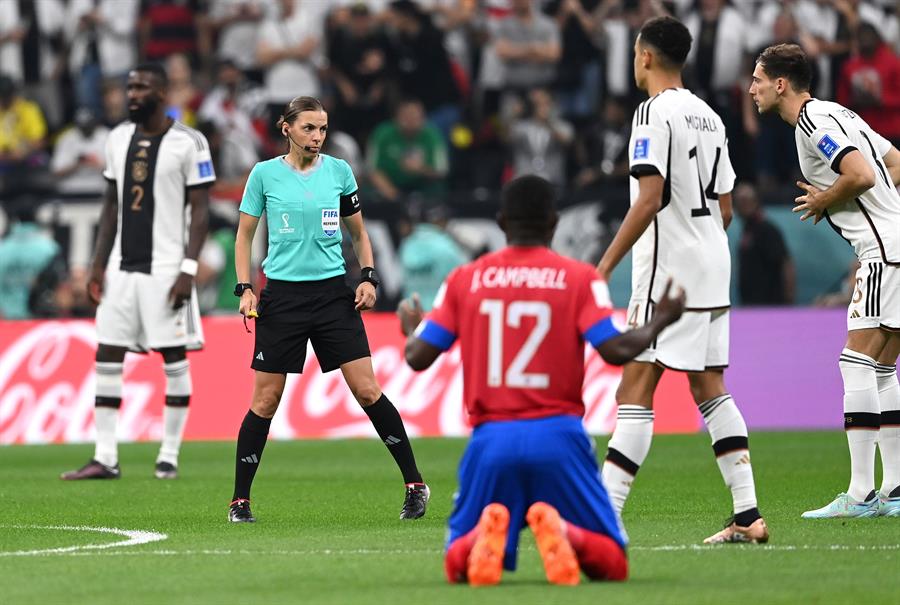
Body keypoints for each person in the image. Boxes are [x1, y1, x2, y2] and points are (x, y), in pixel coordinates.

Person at [397, 174, 685, 586]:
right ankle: (564, 532)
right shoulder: (579, 278)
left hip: (491, 439)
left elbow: (418, 358)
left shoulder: (466, 280)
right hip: (560, 437)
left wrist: (411, 329)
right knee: (612, 564)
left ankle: (484, 535)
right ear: (553, 222)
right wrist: (660, 319)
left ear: (500, 222)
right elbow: (615, 350)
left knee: (456, 564)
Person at [595, 16, 769, 544]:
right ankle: (747, 515)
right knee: (709, 383)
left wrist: (602, 267)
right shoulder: (710, 116)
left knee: (636, 383)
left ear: (645, 56)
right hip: (715, 262)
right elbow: (726, 208)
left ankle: (604, 515)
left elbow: (649, 199)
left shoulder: (651, 113)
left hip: (668, 272)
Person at [228, 96, 429, 524]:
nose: (317, 136)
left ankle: (415, 484)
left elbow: (359, 234)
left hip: (332, 296)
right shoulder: (264, 175)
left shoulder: (340, 172)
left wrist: (369, 277)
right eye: (308, 128)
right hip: (281, 298)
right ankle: (239, 501)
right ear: (286, 128)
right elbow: (244, 237)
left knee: (367, 391)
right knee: (265, 400)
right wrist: (245, 288)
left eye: (322, 129)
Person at [750, 43, 900, 518]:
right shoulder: (841, 114)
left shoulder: (814, 122)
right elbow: (894, 161)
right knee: (880, 369)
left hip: (883, 253)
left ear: (780, 84)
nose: (751, 88)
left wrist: (825, 200)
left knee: (855, 363)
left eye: (757, 79)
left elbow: (859, 174)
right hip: (894, 246)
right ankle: (894, 490)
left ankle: (859, 495)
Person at [61, 63, 214, 481]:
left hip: (166, 268)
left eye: (142, 86)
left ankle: (168, 454)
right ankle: (105, 456)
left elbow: (200, 212)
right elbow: (110, 205)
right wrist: (96, 262)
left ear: (162, 93)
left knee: (173, 357)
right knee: (107, 352)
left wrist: (188, 269)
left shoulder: (190, 142)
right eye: (129, 87)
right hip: (120, 268)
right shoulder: (117, 138)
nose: (132, 93)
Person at [734, 183, 795, 305]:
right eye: (738, 202)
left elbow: (786, 263)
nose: (741, 205)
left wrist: (789, 298)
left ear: (756, 202)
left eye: (745, 201)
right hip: (751, 304)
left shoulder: (767, 230)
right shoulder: (747, 230)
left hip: (770, 304)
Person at [0, 202, 61, 320]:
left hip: (5, 319)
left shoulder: (3, 248)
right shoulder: (49, 248)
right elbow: (58, 282)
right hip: (38, 321)